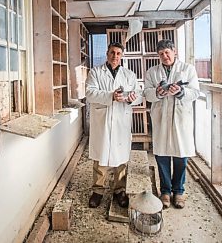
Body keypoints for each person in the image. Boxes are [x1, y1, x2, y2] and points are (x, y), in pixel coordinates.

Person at [143, 39, 200, 209]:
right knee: (162, 156)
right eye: (161, 54)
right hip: (161, 118)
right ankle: (165, 192)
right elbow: (146, 93)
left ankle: (179, 191)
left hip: (181, 118)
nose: (165, 56)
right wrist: (158, 93)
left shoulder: (187, 69)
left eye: (167, 52)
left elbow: (195, 92)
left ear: (174, 51)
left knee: (181, 156)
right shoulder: (153, 72)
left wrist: (181, 91)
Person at [85, 42, 142, 208]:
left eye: (118, 53)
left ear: (122, 55)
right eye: (112, 52)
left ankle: (119, 190)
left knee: (121, 158)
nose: (115, 56)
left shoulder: (129, 75)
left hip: (121, 121)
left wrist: (133, 98)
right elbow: (89, 93)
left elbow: (138, 94)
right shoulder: (95, 72)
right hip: (102, 119)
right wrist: (111, 96)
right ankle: (98, 191)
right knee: (100, 157)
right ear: (107, 53)